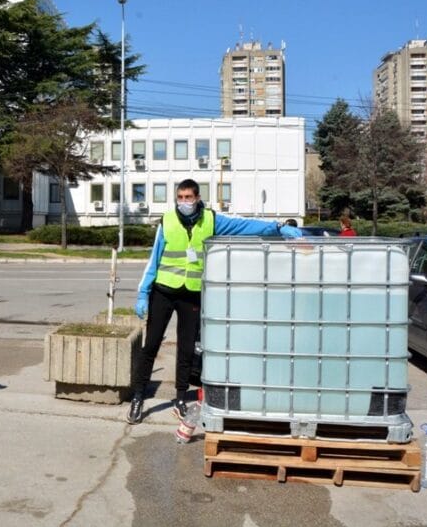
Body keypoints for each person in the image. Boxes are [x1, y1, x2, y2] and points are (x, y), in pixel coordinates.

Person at [128, 178, 302, 425]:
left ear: (197, 198)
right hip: (163, 291)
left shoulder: (211, 220)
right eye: (180, 197)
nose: (184, 202)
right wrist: (143, 293)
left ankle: (180, 398)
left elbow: (244, 226)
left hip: (192, 293)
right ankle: (138, 397)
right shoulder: (167, 220)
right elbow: (153, 260)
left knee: (186, 349)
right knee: (151, 345)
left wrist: (277, 227)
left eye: (188, 197)